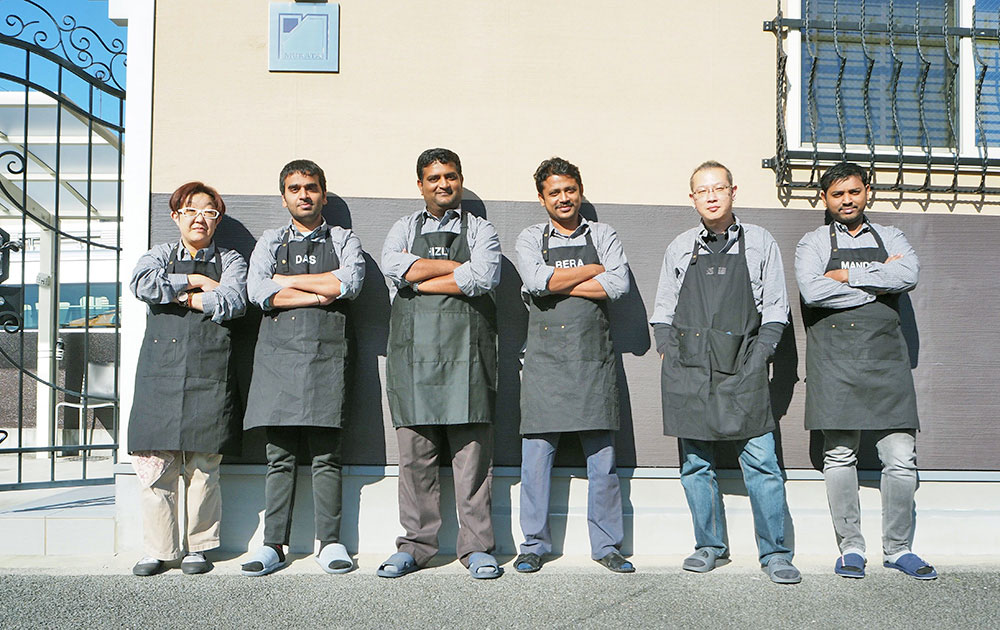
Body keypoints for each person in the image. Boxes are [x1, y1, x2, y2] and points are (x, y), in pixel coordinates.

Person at [650, 161, 801, 584]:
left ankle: (775, 553)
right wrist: (668, 351)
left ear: (734, 191)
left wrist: (761, 357)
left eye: (719, 188)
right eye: (703, 190)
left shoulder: (760, 242)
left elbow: (776, 308)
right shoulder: (680, 246)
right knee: (696, 465)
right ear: (693, 197)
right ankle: (709, 546)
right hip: (690, 370)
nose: (712, 196)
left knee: (763, 464)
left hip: (743, 369)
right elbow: (662, 311)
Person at [795, 162, 935, 580]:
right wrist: (878, 282)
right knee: (839, 456)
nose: (847, 200)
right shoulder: (813, 242)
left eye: (853, 192)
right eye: (837, 195)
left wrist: (846, 275)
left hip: (887, 362)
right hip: (835, 363)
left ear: (866, 192)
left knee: (901, 459)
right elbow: (812, 290)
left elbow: (907, 274)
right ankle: (851, 548)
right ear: (825, 200)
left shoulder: (892, 236)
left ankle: (898, 548)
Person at [378, 148, 503, 579]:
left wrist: (421, 276)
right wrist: (455, 270)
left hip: (467, 360)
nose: (443, 184)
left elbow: (485, 276)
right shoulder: (402, 227)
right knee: (415, 462)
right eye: (433, 178)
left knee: (473, 462)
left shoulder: (481, 229)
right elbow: (393, 267)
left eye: (450, 176)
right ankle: (415, 546)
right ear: (420, 185)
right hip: (414, 360)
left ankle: (477, 548)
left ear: (460, 180)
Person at [240, 159, 365, 577]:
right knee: (280, 456)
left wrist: (287, 283)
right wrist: (319, 293)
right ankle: (274, 543)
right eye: (295, 188)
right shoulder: (270, 240)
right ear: (284, 198)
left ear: (323, 194)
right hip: (278, 358)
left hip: (326, 357)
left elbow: (350, 284)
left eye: (311, 187)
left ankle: (330, 542)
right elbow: (258, 291)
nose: (304, 194)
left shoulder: (344, 238)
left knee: (328, 456)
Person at [512, 157, 634, 574]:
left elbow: (618, 285)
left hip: (591, 361)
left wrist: (561, 281)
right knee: (536, 459)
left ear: (579, 189)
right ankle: (533, 544)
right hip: (544, 362)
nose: (564, 198)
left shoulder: (603, 233)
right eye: (554, 192)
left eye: (570, 190)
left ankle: (607, 546)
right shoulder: (530, 237)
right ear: (542, 198)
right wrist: (592, 271)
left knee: (602, 460)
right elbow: (535, 281)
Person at [128, 181, 248, 576]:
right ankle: (160, 549)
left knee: (203, 464)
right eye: (192, 210)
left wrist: (177, 293)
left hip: (209, 370)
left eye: (210, 211)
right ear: (175, 215)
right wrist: (196, 283)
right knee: (156, 464)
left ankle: (198, 546)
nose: (201, 218)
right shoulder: (159, 254)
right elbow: (143, 284)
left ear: (218, 219)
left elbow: (233, 301)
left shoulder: (231, 260)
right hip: (159, 372)